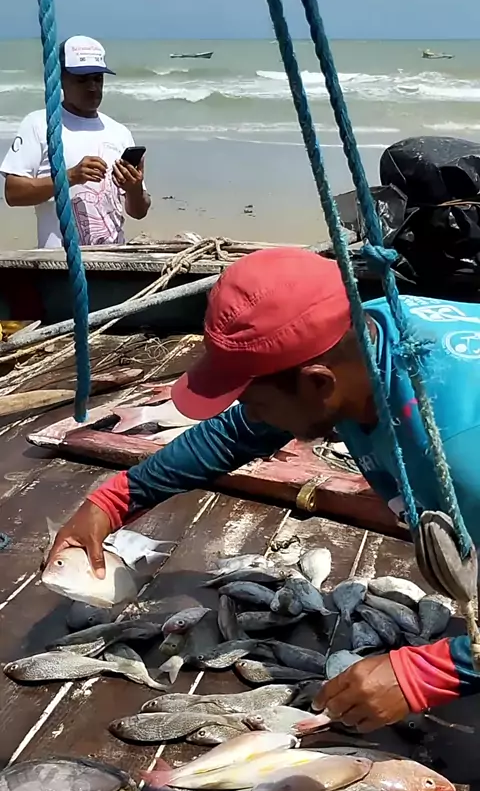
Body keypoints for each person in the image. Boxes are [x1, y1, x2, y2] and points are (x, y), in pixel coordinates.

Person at [47, 246, 480, 730]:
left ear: (317, 385)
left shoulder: (460, 451)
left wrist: (435, 671)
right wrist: (116, 499)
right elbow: (236, 433)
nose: (251, 416)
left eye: (255, 403)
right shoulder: (364, 334)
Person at [0, 35, 151, 248]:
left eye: (98, 78)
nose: (92, 87)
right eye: (82, 79)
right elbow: (13, 193)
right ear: (60, 79)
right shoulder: (40, 124)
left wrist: (134, 190)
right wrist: (70, 177)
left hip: (112, 259)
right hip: (59, 262)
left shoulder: (119, 132)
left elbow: (138, 212)